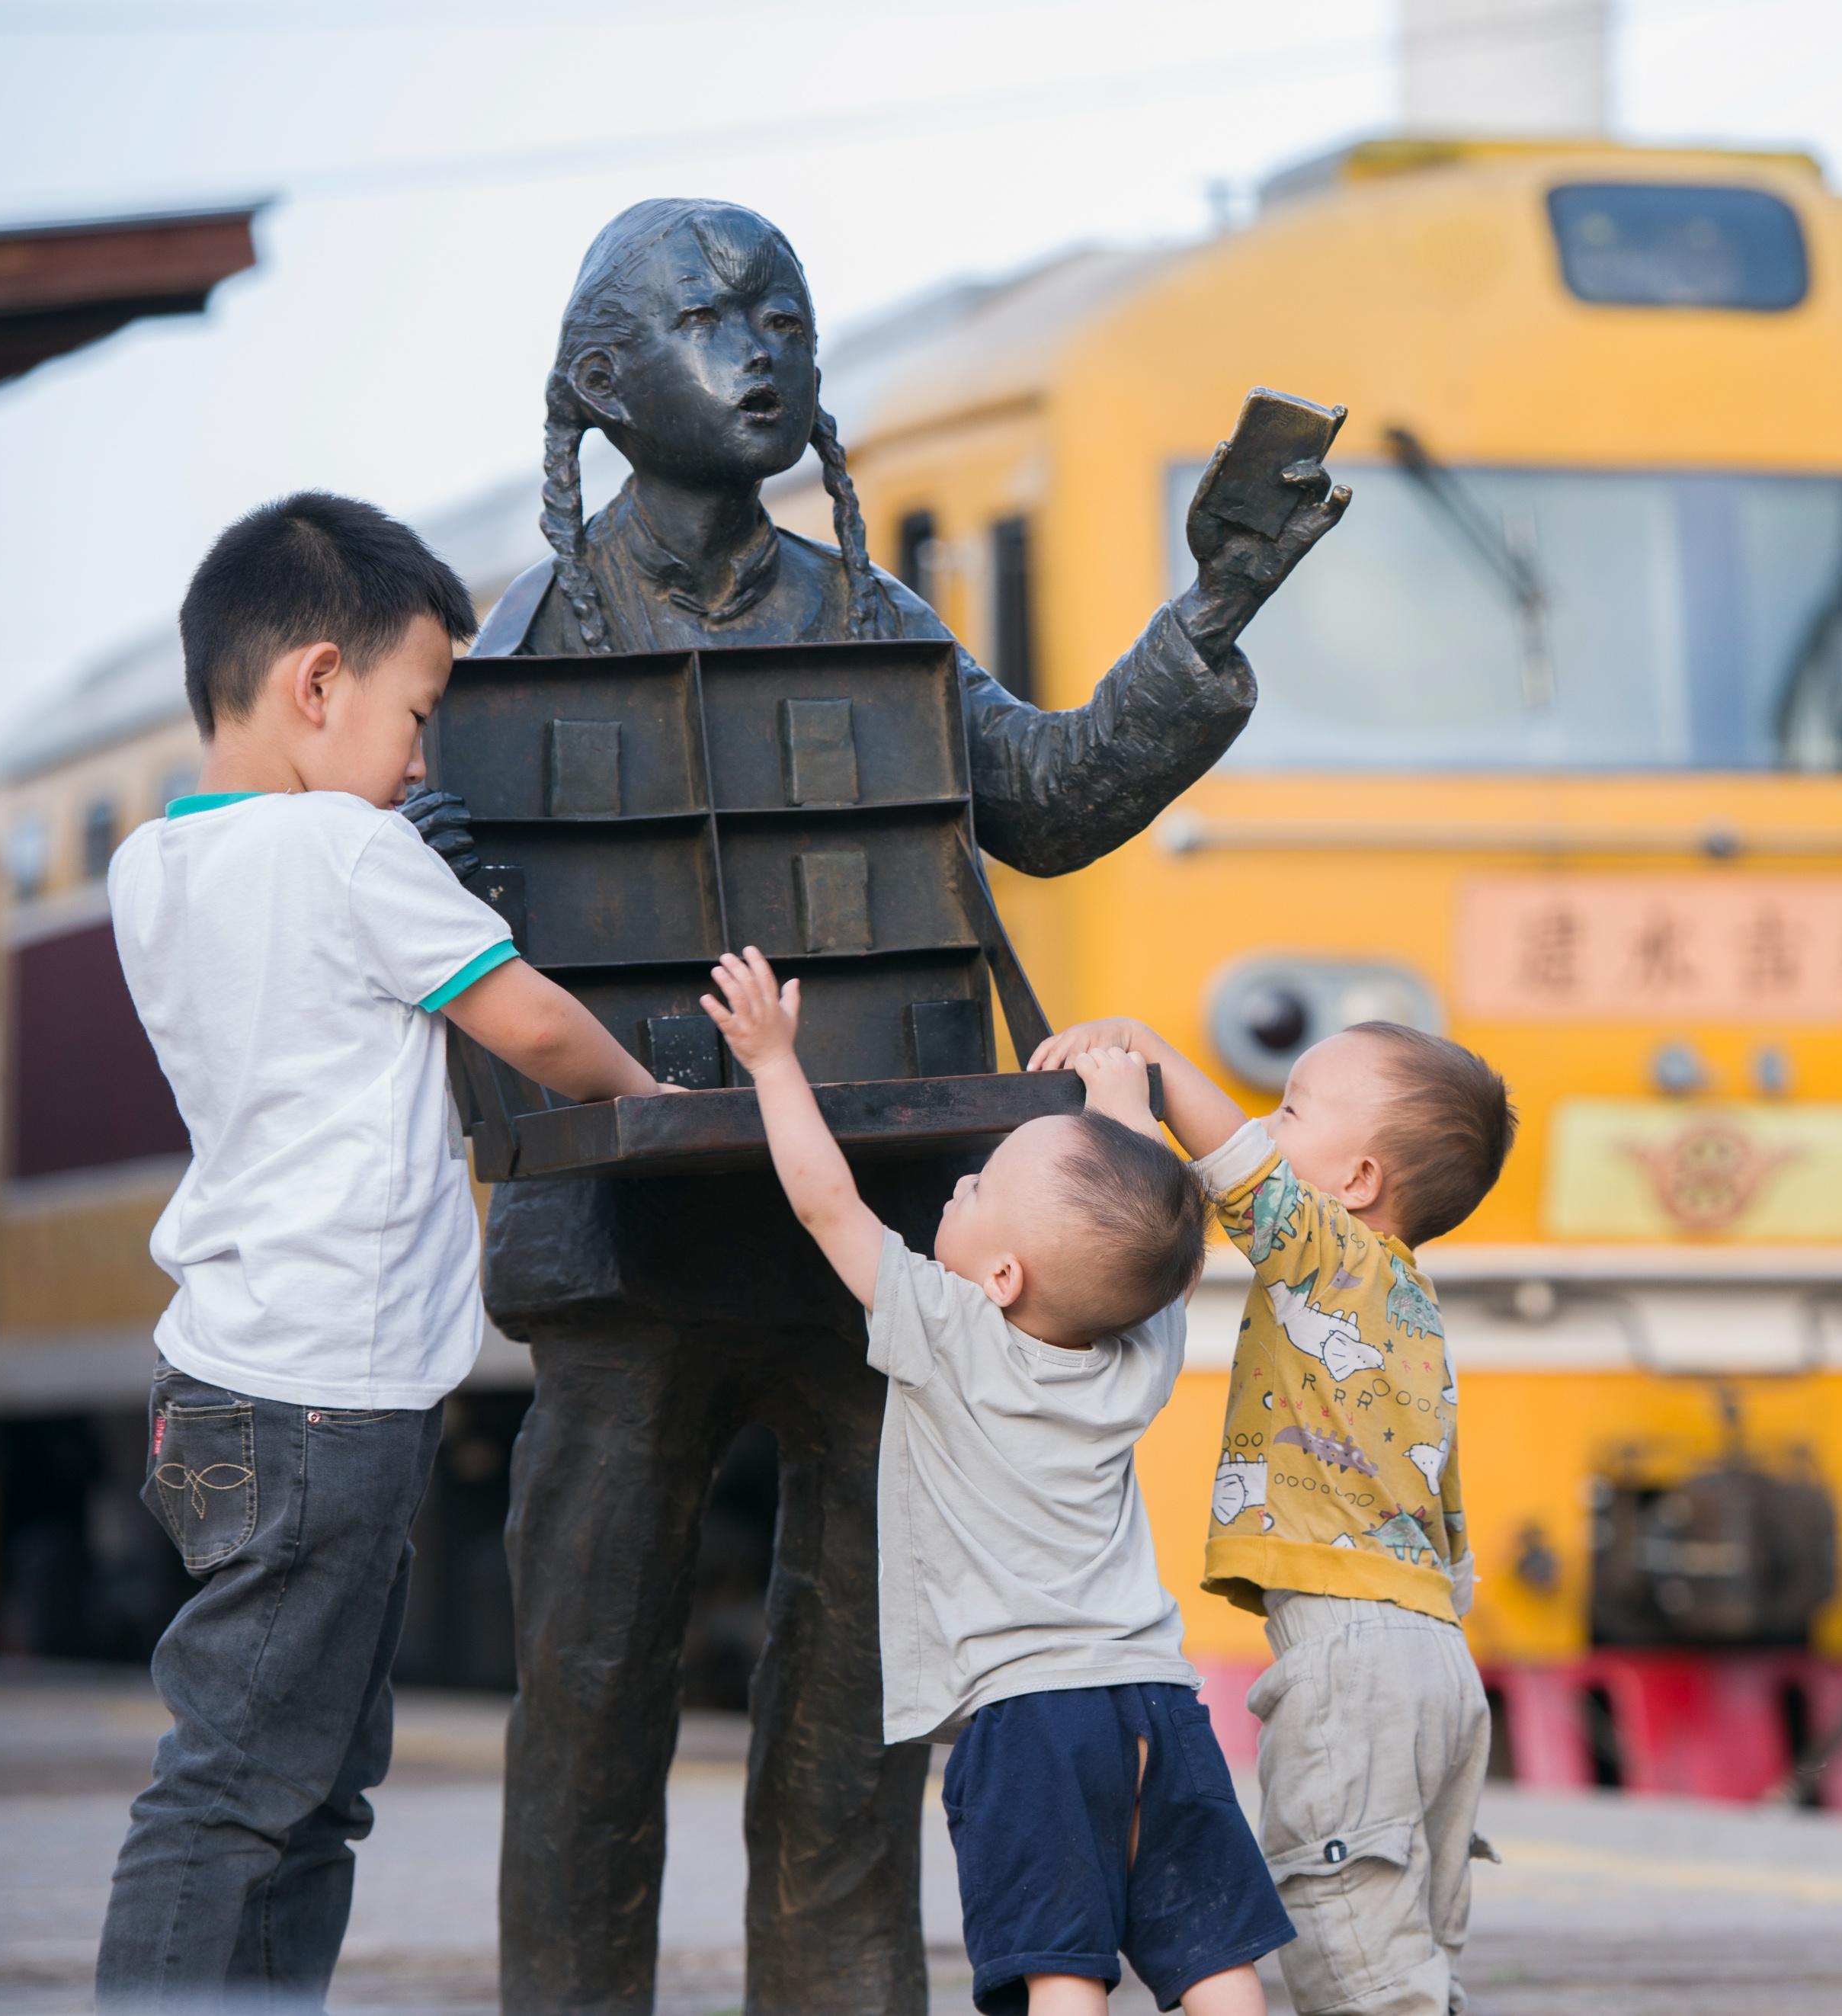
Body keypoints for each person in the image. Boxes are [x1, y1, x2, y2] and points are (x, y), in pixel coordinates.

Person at [446, 199, 1342, 2016]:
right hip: (627, 1255)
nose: (768, 345)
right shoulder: (521, 636)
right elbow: (445, 910)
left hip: (886, 1258)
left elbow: (1058, 794)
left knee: (862, 1708)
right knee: (589, 1699)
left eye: (786, 311)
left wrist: (1213, 613)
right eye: (715, 319)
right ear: (602, 387)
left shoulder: (871, 616)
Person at [94, 493, 668, 2007]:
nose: (421, 761)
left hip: (227, 1384)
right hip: (323, 1398)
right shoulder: (349, 858)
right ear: (317, 683)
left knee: (301, 1775)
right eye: (417, 713)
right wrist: (650, 1092)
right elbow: (527, 1017)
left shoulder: (154, 865)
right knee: (242, 1785)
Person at [698, 948, 1293, 2016]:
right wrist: (1121, 1106)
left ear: (1003, 1277)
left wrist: (771, 1061)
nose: (956, 1187)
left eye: (973, 1188)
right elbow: (1157, 1243)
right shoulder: (1136, 1350)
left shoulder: (948, 1332)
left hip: (1027, 1719)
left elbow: (828, 1204)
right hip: (1154, 1696)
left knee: (1057, 1961)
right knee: (1208, 1951)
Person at [1029, 1013, 1516, 2016]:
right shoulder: (1408, 1314)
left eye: (1290, 1109)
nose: (1262, 1120)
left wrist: (1150, 1061)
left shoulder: (1330, 1258)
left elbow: (1234, 1166)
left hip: (1354, 1658)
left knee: (1352, 1956)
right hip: (1434, 1657)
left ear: (1358, 1182)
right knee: (1408, 1954)